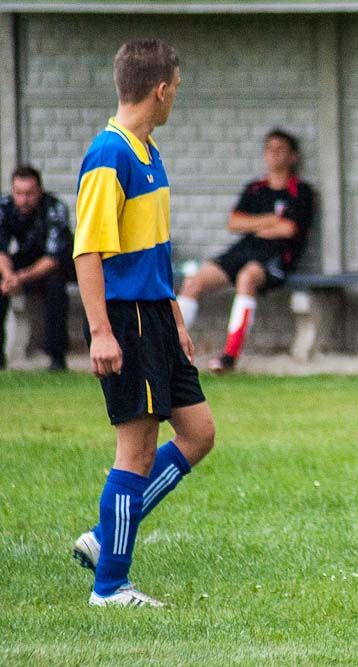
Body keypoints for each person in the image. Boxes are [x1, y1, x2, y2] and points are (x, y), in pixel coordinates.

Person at [71, 39, 215, 608]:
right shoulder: (110, 156)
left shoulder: (147, 150)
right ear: (160, 89)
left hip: (154, 312)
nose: (175, 96)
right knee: (134, 450)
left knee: (199, 432)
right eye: (175, 87)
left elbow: (151, 248)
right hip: (125, 317)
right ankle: (110, 586)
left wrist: (175, 314)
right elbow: (88, 252)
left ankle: (106, 537)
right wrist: (101, 331)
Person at [176, 129, 314, 372]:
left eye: (280, 149)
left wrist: (258, 224)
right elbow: (234, 222)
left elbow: (289, 229)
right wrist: (270, 220)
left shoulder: (300, 191)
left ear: (293, 157)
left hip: (276, 257)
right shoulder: (255, 189)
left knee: (246, 278)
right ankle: (171, 350)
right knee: (193, 282)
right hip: (243, 249)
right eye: (269, 149)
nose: (273, 155)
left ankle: (229, 357)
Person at [0, 166, 74, 370]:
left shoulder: (54, 209)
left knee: (56, 286)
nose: (24, 199)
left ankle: (56, 358)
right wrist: (8, 276)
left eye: (29, 194)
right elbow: (1, 250)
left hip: (55, 266)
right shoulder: (4, 207)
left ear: (39, 191)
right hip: (22, 263)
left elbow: (53, 258)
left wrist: (19, 278)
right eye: (19, 193)